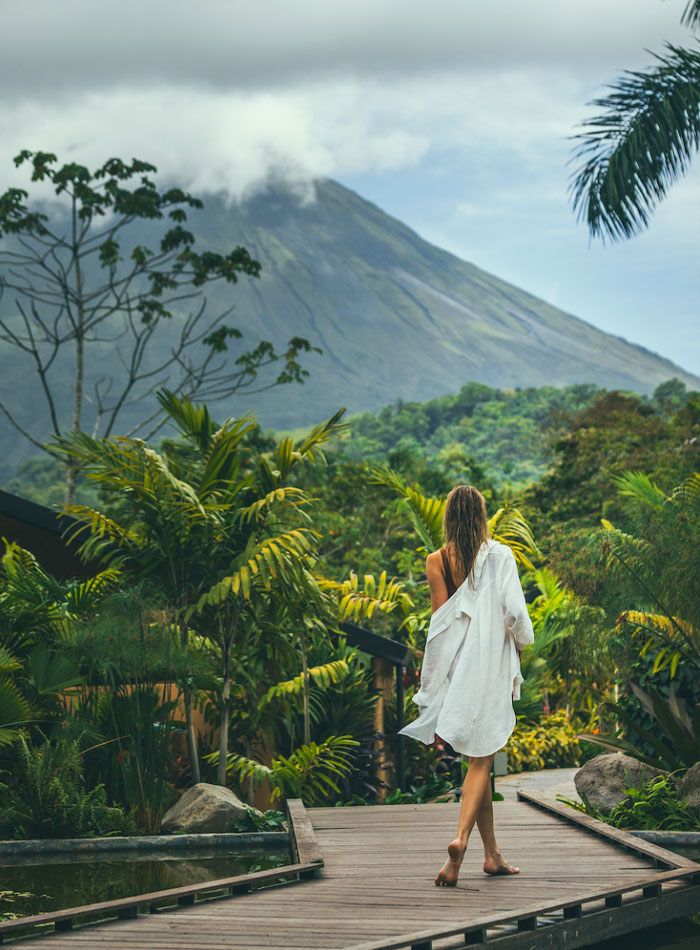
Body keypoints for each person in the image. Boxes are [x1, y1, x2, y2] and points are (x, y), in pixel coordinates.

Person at [398, 484, 534, 886]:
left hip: (459, 665)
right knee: (482, 758)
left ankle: (490, 856)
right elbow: (514, 612)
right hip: (488, 663)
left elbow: (442, 622)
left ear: (448, 517)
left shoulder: (437, 560)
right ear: (481, 515)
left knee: (479, 758)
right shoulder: (499, 555)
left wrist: (439, 677)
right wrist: (522, 646)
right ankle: (459, 840)